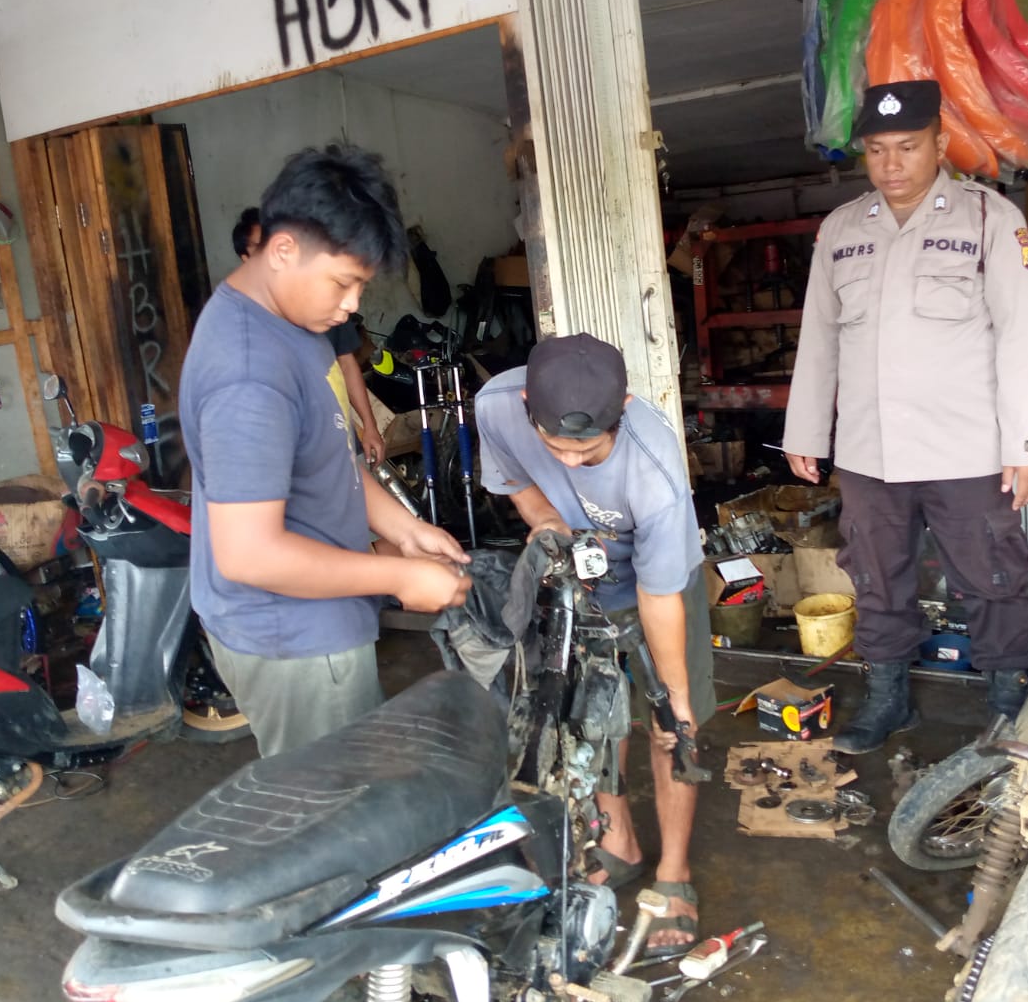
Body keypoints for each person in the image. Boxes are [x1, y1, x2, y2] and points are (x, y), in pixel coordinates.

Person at [782, 80, 1028, 754]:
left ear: (940, 143)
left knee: (992, 576)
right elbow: (819, 338)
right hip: (870, 453)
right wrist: (805, 432)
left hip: (968, 449)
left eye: (907, 146)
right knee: (876, 579)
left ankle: (1008, 702)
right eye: (877, 150)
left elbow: (1022, 334)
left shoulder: (989, 219)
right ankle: (888, 698)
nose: (891, 163)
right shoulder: (841, 229)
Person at [183, 146, 471, 757]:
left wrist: (405, 530)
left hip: (315, 619)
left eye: (361, 285)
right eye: (344, 282)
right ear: (283, 250)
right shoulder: (248, 375)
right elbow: (249, 553)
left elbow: (327, 455)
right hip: (294, 638)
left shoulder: (291, 321)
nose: (353, 304)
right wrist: (399, 575)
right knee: (335, 802)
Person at [474, 334, 715, 952]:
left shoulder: (653, 466)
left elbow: (659, 596)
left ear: (624, 408)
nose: (572, 462)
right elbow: (513, 479)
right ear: (528, 406)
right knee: (594, 716)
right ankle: (620, 842)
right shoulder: (497, 405)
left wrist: (675, 698)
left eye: (589, 451)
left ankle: (674, 872)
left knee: (670, 727)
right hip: (577, 576)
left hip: (659, 585)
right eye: (557, 448)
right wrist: (549, 522)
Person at [233, 207, 385, 465]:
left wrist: (369, 426)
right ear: (246, 258)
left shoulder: (323, 298)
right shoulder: (243, 321)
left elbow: (347, 364)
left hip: (340, 441)